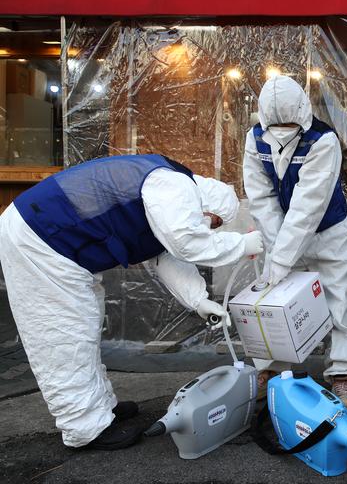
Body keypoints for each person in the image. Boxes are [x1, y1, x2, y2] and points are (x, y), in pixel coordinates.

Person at [0, 154, 264, 450]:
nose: (211, 229)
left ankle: (100, 410)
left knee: (83, 330)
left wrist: (199, 300)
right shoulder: (174, 187)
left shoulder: (167, 197)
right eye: (214, 223)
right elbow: (187, 243)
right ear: (208, 206)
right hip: (41, 240)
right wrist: (242, 245)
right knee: (63, 336)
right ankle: (85, 429)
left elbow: (168, 257)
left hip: (56, 242)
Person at [243, 75, 347, 411]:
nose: (283, 129)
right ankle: (272, 370)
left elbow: (308, 208)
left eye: (289, 123)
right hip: (282, 233)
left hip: (327, 233)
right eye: (277, 123)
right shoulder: (255, 140)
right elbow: (261, 197)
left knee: (337, 302)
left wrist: (280, 259)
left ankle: (344, 373)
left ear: (302, 112)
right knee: (275, 302)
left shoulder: (322, 140)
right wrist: (277, 250)